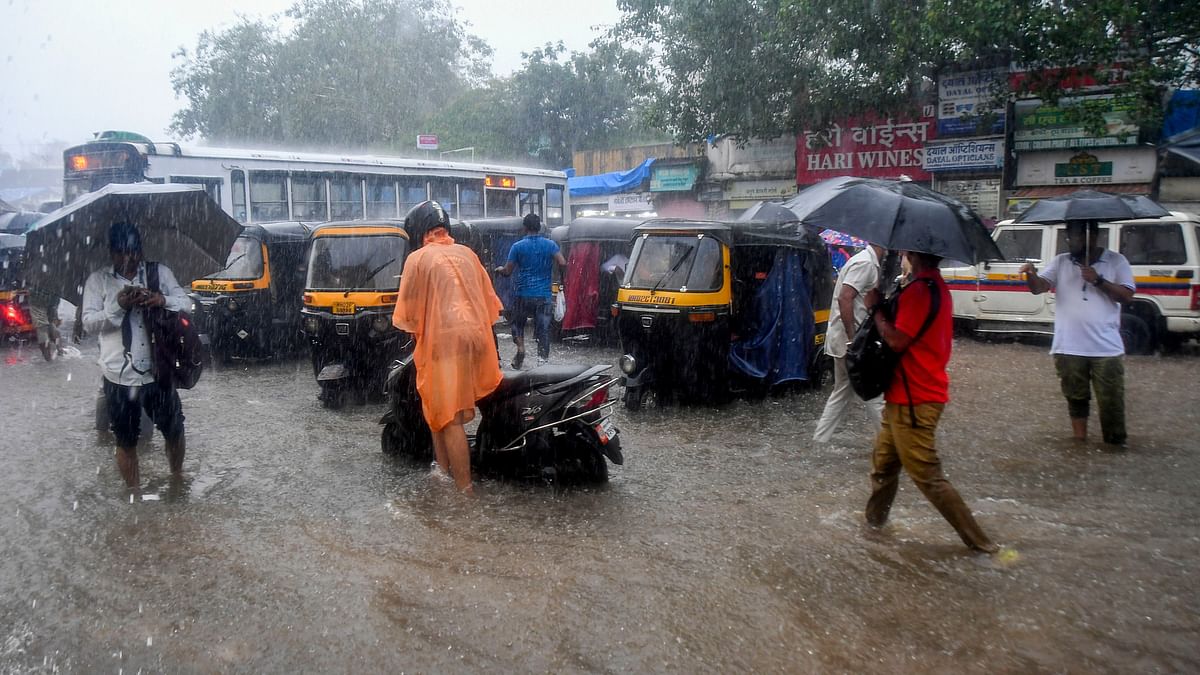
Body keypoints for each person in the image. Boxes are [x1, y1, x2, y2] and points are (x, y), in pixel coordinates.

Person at [862, 250, 998, 554]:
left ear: (912, 254)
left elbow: (897, 340)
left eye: (904, 254)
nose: (901, 258)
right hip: (905, 397)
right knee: (883, 467)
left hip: (915, 399)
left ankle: (984, 546)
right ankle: (873, 529)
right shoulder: (933, 285)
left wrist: (875, 311)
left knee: (928, 477)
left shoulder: (921, 291)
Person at [392, 201, 504, 494]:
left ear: (419, 230)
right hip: (476, 338)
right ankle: (440, 472)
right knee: (437, 408)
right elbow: (489, 301)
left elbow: (410, 313)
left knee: (450, 416)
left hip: (445, 341)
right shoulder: (468, 253)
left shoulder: (418, 259)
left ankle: (464, 491)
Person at [81, 222, 190, 488]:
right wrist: (117, 307)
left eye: (133, 252)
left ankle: (177, 479)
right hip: (117, 375)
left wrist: (162, 300)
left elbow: (186, 303)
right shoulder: (98, 280)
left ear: (140, 250)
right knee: (125, 440)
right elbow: (89, 323)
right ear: (111, 252)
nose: (128, 259)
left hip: (158, 371)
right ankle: (134, 494)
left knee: (174, 431)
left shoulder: (159, 273)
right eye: (121, 253)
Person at [1020, 220, 1135, 446]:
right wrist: (1031, 274)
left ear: (1093, 236)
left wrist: (1098, 280)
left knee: (1111, 401)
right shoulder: (1061, 261)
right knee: (1075, 399)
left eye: (1076, 236)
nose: (1071, 241)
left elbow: (1127, 296)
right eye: (1069, 236)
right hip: (1068, 346)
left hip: (1106, 348)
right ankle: (1079, 444)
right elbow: (1038, 288)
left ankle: (1114, 446)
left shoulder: (1116, 261)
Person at [812, 243, 886, 444]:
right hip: (852, 343)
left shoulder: (866, 262)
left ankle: (819, 440)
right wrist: (853, 339)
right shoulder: (865, 263)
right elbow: (845, 298)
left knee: (842, 392)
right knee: (873, 393)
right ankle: (892, 447)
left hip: (847, 341)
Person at [494, 213, 566, 368]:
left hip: (523, 293)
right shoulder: (550, 245)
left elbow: (508, 271)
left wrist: (499, 270)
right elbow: (562, 262)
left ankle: (520, 348)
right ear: (539, 227)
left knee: (517, 324)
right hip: (543, 295)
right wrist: (560, 278)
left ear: (524, 228)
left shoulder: (518, 246)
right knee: (543, 329)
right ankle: (542, 362)